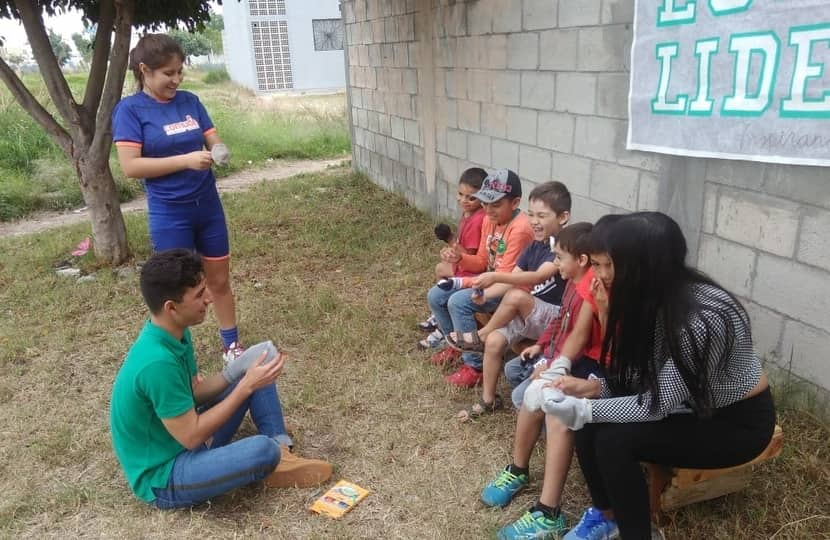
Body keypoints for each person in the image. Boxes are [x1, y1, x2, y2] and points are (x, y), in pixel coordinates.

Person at [540, 212, 776, 540]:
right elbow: (636, 374)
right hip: (689, 404)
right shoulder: (650, 296)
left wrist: (586, 408)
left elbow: (656, 403)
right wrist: (595, 387)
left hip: (734, 422)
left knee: (613, 440)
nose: (601, 276)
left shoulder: (703, 319)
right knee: (591, 420)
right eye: (598, 264)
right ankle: (608, 517)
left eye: (610, 265)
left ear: (646, 266)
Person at [110, 249, 333, 509]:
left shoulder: (175, 333)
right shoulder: (156, 363)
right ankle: (272, 453)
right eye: (198, 295)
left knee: (256, 365)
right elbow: (191, 436)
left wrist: (237, 369)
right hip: (165, 475)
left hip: (183, 443)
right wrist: (245, 387)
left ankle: (281, 450)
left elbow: (195, 393)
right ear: (171, 307)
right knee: (261, 449)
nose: (209, 299)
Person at [112, 34, 244, 362]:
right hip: (170, 213)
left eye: (180, 72)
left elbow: (211, 136)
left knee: (219, 280)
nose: (176, 79)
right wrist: (186, 160)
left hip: (207, 207)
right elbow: (131, 166)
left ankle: (231, 346)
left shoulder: (190, 102)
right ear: (145, 70)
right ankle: (177, 354)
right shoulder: (130, 110)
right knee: (176, 291)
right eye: (168, 73)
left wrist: (218, 149)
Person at [478, 222, 607, 540]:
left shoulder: (595, 285)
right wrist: (552, 358)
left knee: (553, 406)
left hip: (601, 372)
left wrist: (557, 365)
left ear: (583, 260)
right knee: (534, 394)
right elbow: (568, 328)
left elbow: (596, 341)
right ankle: (518, 471)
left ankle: (549, 513)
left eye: (560, 257)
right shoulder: (577, 283)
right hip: (578, 361)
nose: (555, 263)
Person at [450, 183, 572, 419]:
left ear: (563, 217)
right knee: (496, 340)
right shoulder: (534, 246)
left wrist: (493, 275)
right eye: (531, 214)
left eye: (542, 215)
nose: (534, 221)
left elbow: (537, 276)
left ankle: (481, 335)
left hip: (557, 319)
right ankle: (489, 400)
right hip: (533, 312)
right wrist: (484, 295)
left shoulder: (562, 245)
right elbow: (513, 279)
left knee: (515, 297)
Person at [426, 169, 534, 387]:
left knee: (458, 302)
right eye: (485, 203)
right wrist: (460, 258)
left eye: (495, 204)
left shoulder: (520, 229)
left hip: (511, 289)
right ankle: (456, 346)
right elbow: (482, 261)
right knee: (436, 295)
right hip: (490, 280)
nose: (488, 210)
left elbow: (506, 278)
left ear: (514, 203)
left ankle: (475, 366)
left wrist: (463, 282)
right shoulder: (489, 220)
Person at [417, 167, 487, 350]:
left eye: (471, 198)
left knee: (441, 271)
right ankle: (441, 318)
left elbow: (472, 258)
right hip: (467, 266)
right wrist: (451, 249)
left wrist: (450, 241)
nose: (464, 200)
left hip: (473, 273)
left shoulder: (478, 219)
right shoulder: (467, 214)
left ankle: (443, 325)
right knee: (441, 268)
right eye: (461, 194)